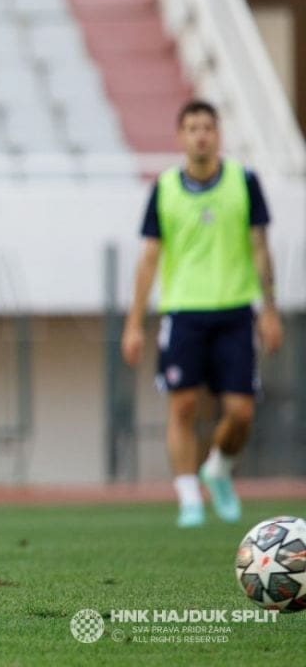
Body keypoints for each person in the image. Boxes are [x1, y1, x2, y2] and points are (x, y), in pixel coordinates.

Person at [122, 99, 283, 528]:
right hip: (183, 312)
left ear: (218, 134)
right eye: (192, 128)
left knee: (241, 412)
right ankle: (189, 497)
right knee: (183, 405)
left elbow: (260, 248)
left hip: (235, 311)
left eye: (207, 127)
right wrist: (134, 323)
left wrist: (269, 309)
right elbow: (149, 259)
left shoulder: (243, 182)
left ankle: (219, 470)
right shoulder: (165, 189)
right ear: (181, 136)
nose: (201, 136)